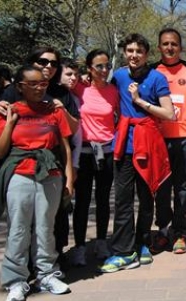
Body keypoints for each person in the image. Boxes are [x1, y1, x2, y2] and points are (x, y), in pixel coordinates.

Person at [0, 46, 80, 265]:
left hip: (52, 167)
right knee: (20, 226)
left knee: (50, 223)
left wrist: (70, 175)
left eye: (53, 63)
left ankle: (50, 265)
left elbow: (69, 136)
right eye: (43, 62)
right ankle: (19, 273)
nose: (48, 67)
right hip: (20, 169)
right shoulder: (13, 95)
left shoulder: (60, 95)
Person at [99, 33, 174, 273]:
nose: (134, 55)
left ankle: (142, 243)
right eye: (130, 50)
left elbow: (169, 114)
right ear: (124, 53)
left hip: (148, 143)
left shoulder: (157, 78)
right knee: (122, 200)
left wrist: (139, 101)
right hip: (124, 144)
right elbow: (99, 94)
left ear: (147, 54)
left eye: (139, 51)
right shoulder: (118, 76)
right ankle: (123, 250)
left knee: (145, 197)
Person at [151, 28, 186, 255]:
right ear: (159, 46)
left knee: (181, 188)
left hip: (185, 139)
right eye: (165, 44)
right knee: (161, 188)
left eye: (174, 44)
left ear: (180, 47)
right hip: (158, 140)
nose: (170, 48)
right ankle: (162, 230)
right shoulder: (150, 71)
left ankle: (179, 232)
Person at [70, 50, 119, 266]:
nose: (104, 70)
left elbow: (121, 116)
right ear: (89, 68)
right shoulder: (80, 88)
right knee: (81, 201)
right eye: (99, 66)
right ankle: (80, 246)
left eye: (107, 65)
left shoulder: (113, 91)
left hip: (106, 153)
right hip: (84, 152)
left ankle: (101, 242)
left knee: (102, 199)